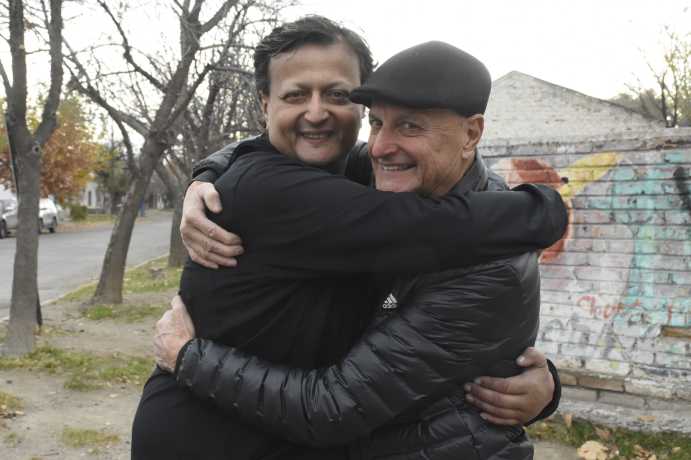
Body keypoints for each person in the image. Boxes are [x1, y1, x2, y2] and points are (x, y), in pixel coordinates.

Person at [134, 17, 566, 460]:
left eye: (410, 126)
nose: (380, 146)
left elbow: (343, 402)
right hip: (210, 434)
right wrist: (204, 175)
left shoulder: (381, 188)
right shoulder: (323, 183)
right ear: (265, 103)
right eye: (378, 124)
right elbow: (264, 158)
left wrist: (536, 379)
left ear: (471, 134)